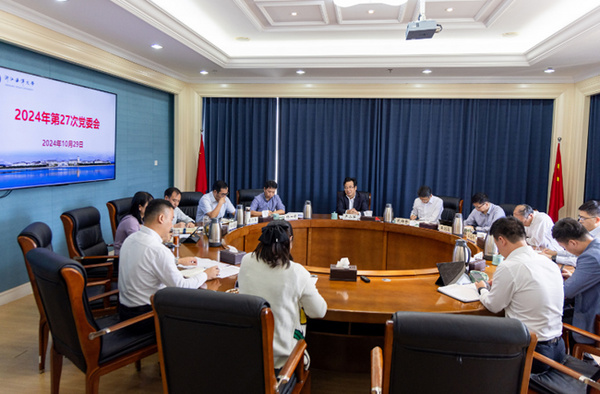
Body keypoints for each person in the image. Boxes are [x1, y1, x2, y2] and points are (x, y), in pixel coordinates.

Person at [475, 217, 565, 373]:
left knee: (475, 348)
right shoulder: (548, 263)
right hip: (559, 349)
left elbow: (493, 306)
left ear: (501, 240)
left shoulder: (510, 266)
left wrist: (482, 289)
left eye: (496, 245)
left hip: (532, 352)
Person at [238, 220, 327, 372]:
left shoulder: (246, 261)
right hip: (283, 364)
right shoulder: (297, 272)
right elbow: (319, 311)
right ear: (290, 240)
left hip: (249, 356)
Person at [119, 199, 220, 323]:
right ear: (161, 218)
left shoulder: (131, 239)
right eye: (171, 219)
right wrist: (206, 274)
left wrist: (177, 261)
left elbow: (147, 262)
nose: (172, 225)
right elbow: (181, 287)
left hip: (124, 311)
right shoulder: (158, 250)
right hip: (146, 317)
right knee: (201, 306)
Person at [552, 218, 600, 344]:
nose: (567, 251)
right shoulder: (596, 245)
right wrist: (574, 277)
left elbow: (566, 292)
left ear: (572, 243)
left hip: (593, 317)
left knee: (548, 321)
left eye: (564, 247)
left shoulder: (590, 256)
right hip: (592, 305)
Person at [113, 191, 153, 255]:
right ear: (140, 207)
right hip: (123, 258)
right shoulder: (131, 221)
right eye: (149, 207)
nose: (152, 209)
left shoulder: (142, 219)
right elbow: (138, 243)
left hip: (134, 254)